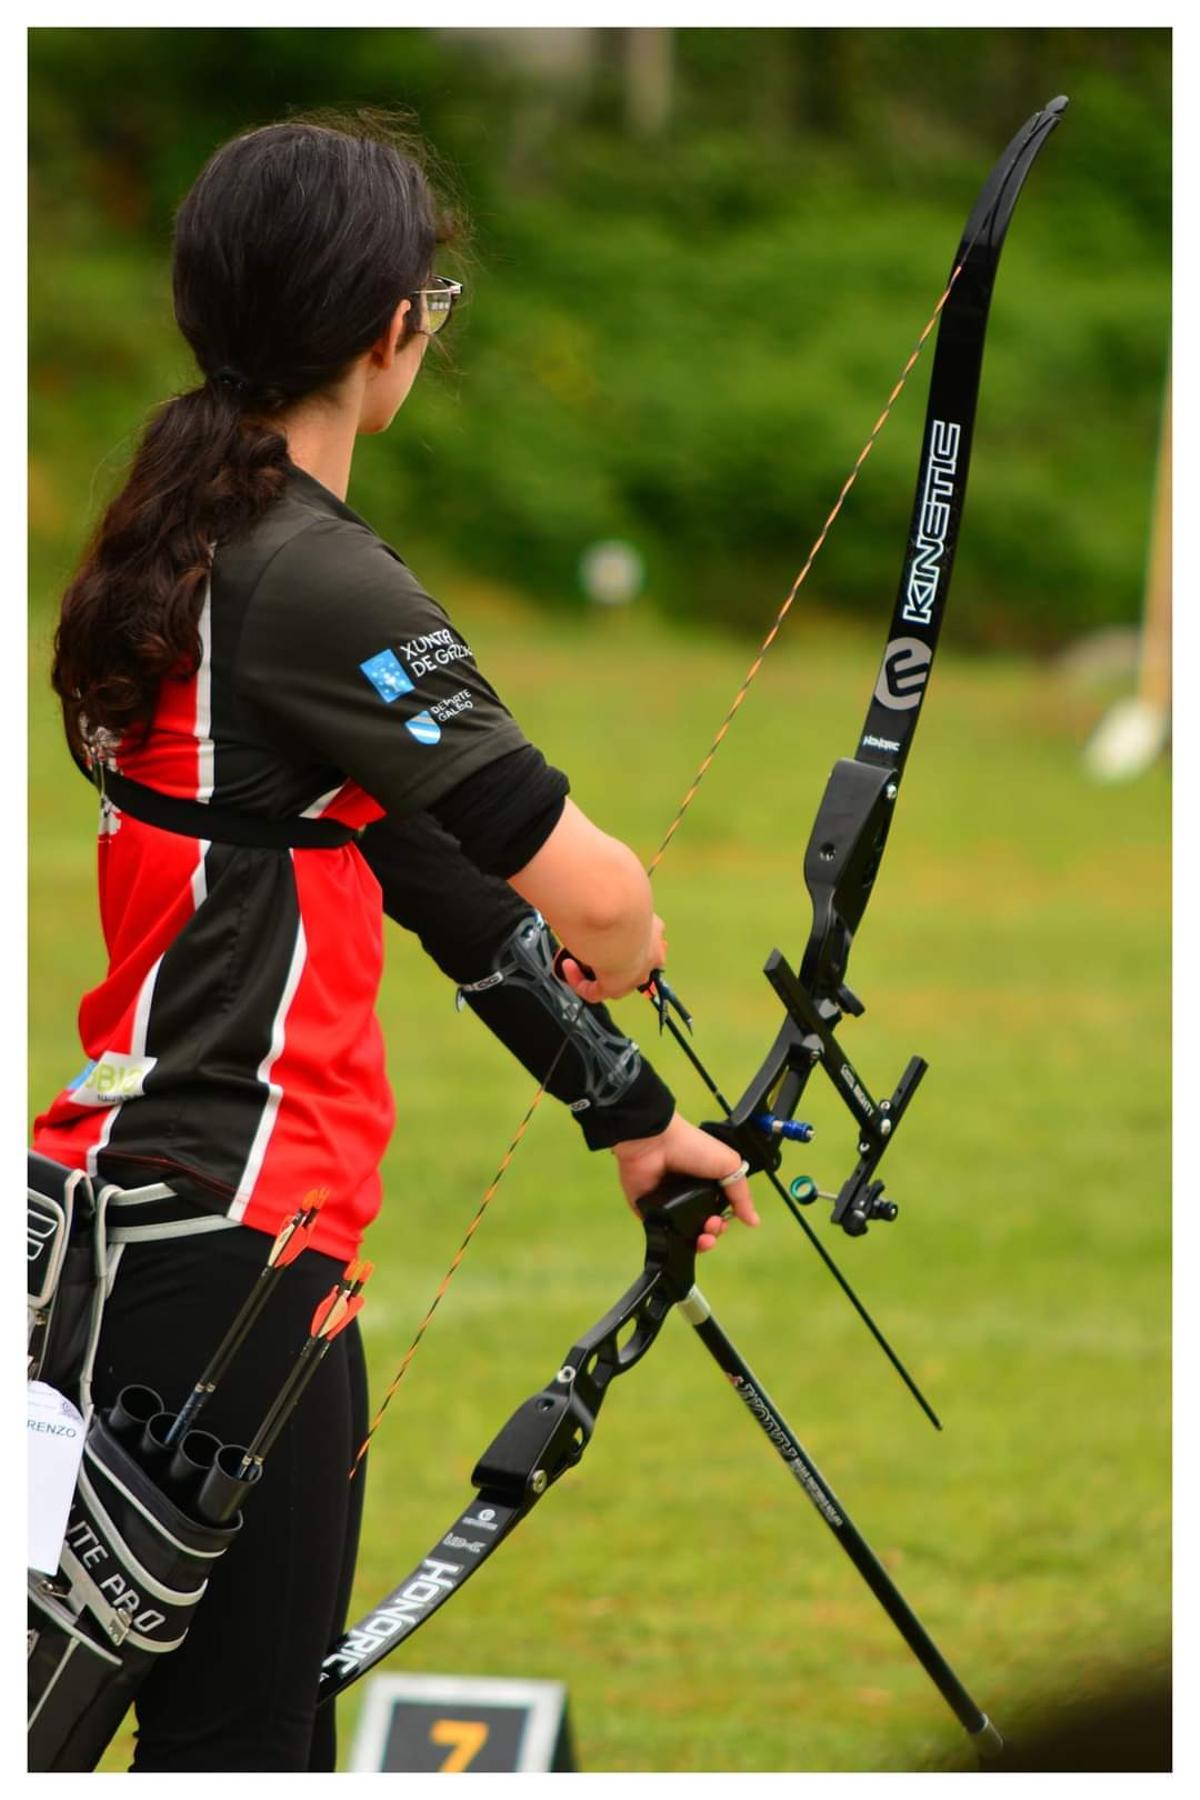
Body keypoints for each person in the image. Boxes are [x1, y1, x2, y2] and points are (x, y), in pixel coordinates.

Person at [32, 112, 758, 1772]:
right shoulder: (316, 576)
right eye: (430, 294)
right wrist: (631, 934)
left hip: (106, 1219)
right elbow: (595, 902)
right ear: (388, 331)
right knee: (243, 1751)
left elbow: (432, 879)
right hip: (237, 1249)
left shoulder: (190, 542)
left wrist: (635, 1120)